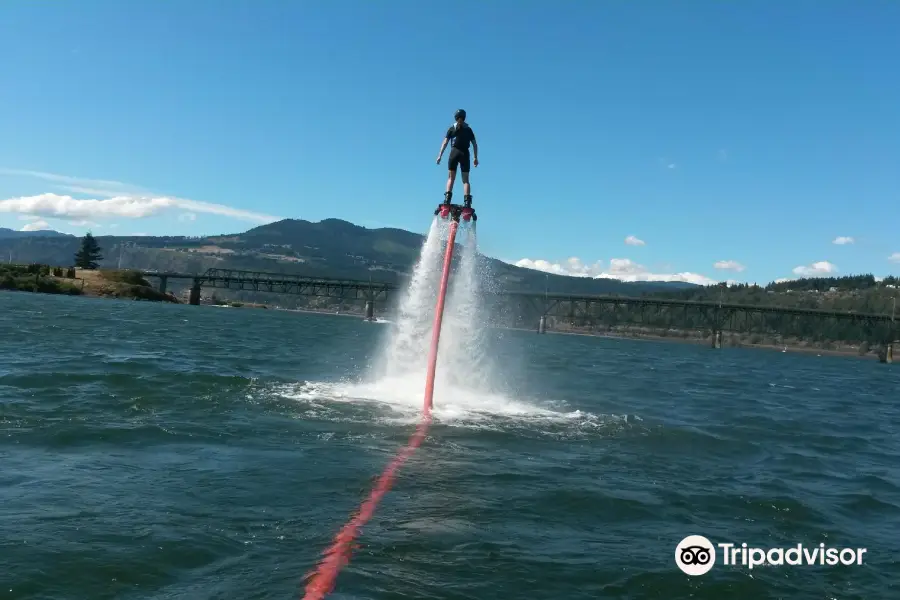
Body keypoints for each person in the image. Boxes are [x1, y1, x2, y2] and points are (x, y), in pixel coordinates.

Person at [436, 108, 478, 208]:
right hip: (465, 154)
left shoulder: (451, 129)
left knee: (451, 178)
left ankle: (447, 200)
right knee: (466, 180)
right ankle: (467, 202)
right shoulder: (468, 129)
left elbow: (445, 142)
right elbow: (475, 144)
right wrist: (475, 158)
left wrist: (440, 155)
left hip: (454, 153)